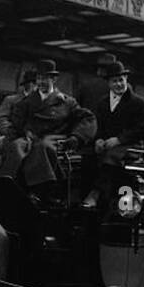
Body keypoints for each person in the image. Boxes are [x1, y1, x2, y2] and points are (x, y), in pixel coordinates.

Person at [16, 62, 97, 198]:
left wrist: (76, 137)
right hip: (30, 140)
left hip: (56, 141)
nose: (40, 82)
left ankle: (43, 190)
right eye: (38, 79)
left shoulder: (67, 102)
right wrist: (25, 132)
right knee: (15, 149)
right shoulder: (26, 102)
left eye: (44, 78)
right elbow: (16, 122)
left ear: (53, 79)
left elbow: (88, 118)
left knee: (43, 147)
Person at [81, 61, 144, 209]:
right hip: (109, 144)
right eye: (114, 81)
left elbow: (142, 129)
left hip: (131, 146)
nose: (118, 84)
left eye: (121, 80)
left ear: (126, 79)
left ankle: (96, 192)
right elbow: (99, 126)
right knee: (87, 155)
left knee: (110, 155)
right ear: (108, 83)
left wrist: (119, 140)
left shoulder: (138, 103)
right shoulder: (103, 103)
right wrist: (98, 139)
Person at [0, 65, 42, 177]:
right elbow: (0, 120)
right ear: (29, 85)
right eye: (35, 84)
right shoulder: (11, 100)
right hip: (14, 139)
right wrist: (14, 131)